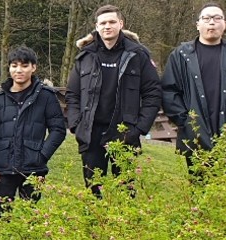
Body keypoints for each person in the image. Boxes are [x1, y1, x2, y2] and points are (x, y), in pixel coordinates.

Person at [65, 4, 162, 197]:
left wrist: (139, 128)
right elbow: (72, 94)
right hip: (91, 134)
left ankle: (123, 227)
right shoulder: (86, 56)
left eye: (111, 22)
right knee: (93, 191)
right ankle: (95, 227)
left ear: (121, 24)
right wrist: (76, 124)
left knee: (126, 193)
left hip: (125, 134)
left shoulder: (138, 55)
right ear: (96, 26)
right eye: (103, 23)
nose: (107, 26)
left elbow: (153, 94)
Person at [160, 2, 226, 176]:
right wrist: (185, 120)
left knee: (224, 188)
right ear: (198, 24)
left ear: (225, 24)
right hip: (194, 133)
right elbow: (169, 91)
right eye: (206, 18)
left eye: (217, 18)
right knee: (198, 187)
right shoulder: (181, 55)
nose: (212, 22)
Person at [0, 46, 67, 215]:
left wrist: (41, 155)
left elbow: (58, 129)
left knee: (31, 218)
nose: (18, 70)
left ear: (33, 67)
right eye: (14, 65)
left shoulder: (45, 96)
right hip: (3, 167)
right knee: (2, 217)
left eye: (24, 65)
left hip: (33, 167)